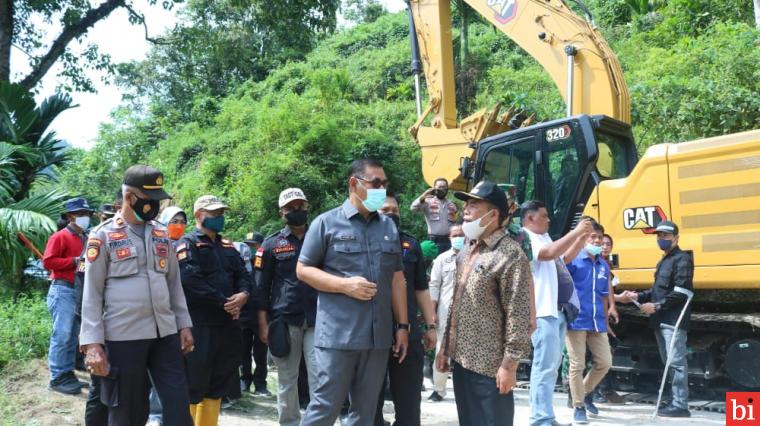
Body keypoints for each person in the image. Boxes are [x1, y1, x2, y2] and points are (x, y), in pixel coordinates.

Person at [297, 158, 409, 426]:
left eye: (384, 184)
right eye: (375, 183)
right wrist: (345, 285)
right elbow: (303, 270)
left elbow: (396, 279)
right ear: (354, 183)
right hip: (338, 337)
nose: (381, 189)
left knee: (365, 413)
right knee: (325, 407)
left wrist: (402, 325)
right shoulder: (326, 223)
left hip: (377, 338)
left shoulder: (388, 226)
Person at [79, 165, 194, 426]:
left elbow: (174, 285)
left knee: (178, 405)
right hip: (124, 337)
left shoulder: (161, 234)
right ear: (130, 197)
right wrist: (92, 343)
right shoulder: (103, 236)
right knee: (128, 412)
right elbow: (92, 294)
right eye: (150, 200)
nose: (154, 205)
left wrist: (184, 324)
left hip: (165, 334)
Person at [435, 181, 533, 426]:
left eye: (474, 204)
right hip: (462, 360)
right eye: (466, 203)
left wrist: (509, 366)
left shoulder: (510, 254)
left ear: (494, 214)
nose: (466, 208)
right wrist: (447, 347)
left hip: (491, 367)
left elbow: (518, 315)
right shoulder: (468, 250)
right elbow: (457, 303)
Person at [177, 195, 252, 425]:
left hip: (228, 325)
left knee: (218, 383)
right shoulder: (187, 243)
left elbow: (244, 275)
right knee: (194, 383)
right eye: (214, 214)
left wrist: (243, 295)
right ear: (199, 216)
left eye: (221, 214)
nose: (219, 218)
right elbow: (191, 281)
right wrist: (225, 303)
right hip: (201, 325)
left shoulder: (228, 246)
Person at [521, 200, 591, 426]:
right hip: (541, 311)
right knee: (544, 367)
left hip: (555, 310)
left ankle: (546, 417)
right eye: (545, 215)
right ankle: (540, 419)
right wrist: (575, 231)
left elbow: (562, 258)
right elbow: (549, 254)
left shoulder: (544, 237)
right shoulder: (524, 237)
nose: (549, 219)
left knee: (550, 367)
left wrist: (580, 239)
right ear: (530, 218)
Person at [253, 187, 318, 426]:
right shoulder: (271, 245)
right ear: (282, 213)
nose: (296, 211)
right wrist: (263, 324)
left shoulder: (321, 238)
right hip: (284, 320)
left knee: (320, 377)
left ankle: (316, 422)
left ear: (307, 206)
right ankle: (289, 423)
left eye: (300, 206)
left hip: (318, 319)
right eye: (290, 208)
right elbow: (260, 288)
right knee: (287, 379)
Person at [375, 191, 437, 426]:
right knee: (370, 402)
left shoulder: (411, 244)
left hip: (408, 332)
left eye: (395, 211)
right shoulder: (364, 242)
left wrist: (430, 326)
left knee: (409, 401)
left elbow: (422, 288)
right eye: (385, 211)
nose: (391, 215)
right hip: (373, 333)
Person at [622, 221, 693, 418]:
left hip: (673, 319)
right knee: (669, 362)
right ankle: (674, 401)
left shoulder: (683, 259)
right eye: (659, 236)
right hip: (661, 320)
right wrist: (638, 296)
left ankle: (681, 405)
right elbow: (657, 291)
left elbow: (682, 292)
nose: (661, 239)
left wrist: (656, 306)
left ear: (676, 238)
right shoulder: (664, 261)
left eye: (666, 236)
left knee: (676, 362)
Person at [562, 220, 612, 424]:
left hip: (597, 321)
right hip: (576, 320)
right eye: (593, 237)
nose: (597, 240)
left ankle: (584, 392)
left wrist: (606, 319)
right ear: (584, 239)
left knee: (605, 362)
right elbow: (562, 270)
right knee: (577, 364)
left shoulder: (603, 266)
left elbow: (603, 296)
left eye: (599, 238)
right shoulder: (574, 261)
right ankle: (579, 406)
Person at [43, 197, 94, 395]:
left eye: (87, 214)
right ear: (71, 216)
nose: (85, 217)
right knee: (62, 334)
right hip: (62, 288)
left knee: (72, 334)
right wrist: (73, 262)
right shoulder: (60, 237)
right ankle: (57, 377)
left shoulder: (86, 237)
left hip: (78, 290)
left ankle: (66, 373)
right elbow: (48, 262)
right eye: (81, 214)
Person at [427, 224, 464, 402]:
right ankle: (438, 389)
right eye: (455, 235)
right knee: (442, 349)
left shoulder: (477, 256)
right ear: (449, 238)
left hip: (470, 314)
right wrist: (432, 312)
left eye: (461, 234)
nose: (458, 237)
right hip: (445, 312)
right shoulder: (442, 259)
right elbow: (434, 285)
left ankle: (467, 390)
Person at [237, 232, 270, 396]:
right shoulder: (240, 264)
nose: (250, 249)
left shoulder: (265, 263)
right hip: (244, 314)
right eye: (247, 245)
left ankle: (260, 384)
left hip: (261, 314)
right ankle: (244, 380)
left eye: (253, 246)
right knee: (243, 350)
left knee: (260, 352)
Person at [410, 178, 458, 254]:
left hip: (450, 240)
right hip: (434, 241)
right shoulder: (427, 202)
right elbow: (413, 208)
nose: (442, 189)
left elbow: (455, 222)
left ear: (447, 188)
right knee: (433, 264)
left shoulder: (452, 204)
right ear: (434, 188)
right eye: (440, 187)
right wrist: (424, 195)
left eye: (444, 187)